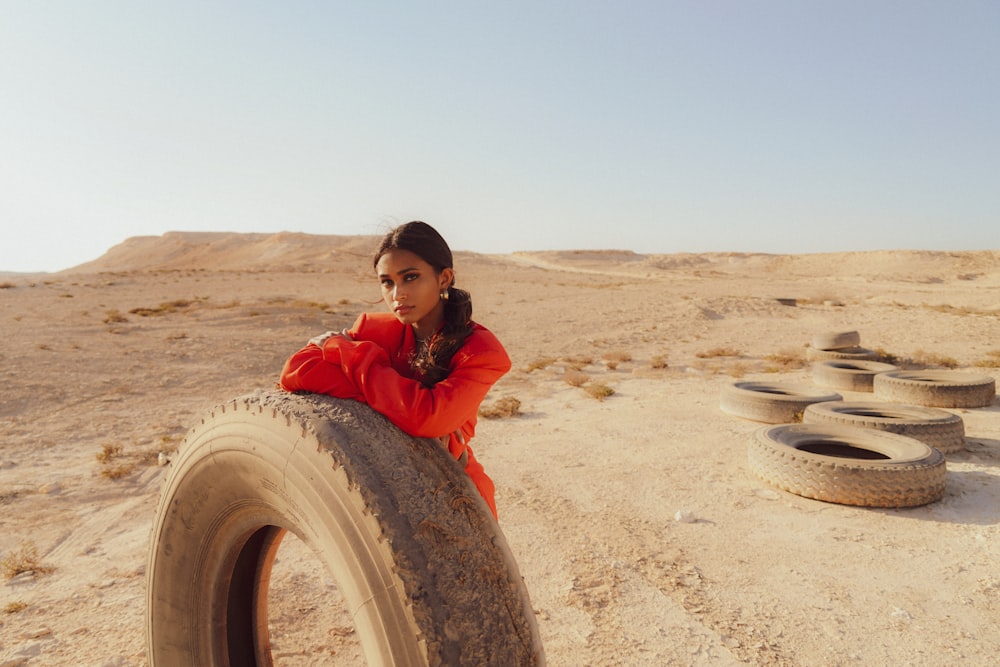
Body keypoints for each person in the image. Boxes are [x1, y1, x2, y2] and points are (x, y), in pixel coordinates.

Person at [279, 221, 511, 519]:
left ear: (444, 278)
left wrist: (350, 353)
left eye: (410, 277)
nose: (397, 294)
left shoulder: (482, 350)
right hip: (381, 483)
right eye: (387, 282)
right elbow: (297, 370)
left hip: (455, 485)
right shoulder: (372, 328)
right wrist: (391, 406)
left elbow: (427, 417)